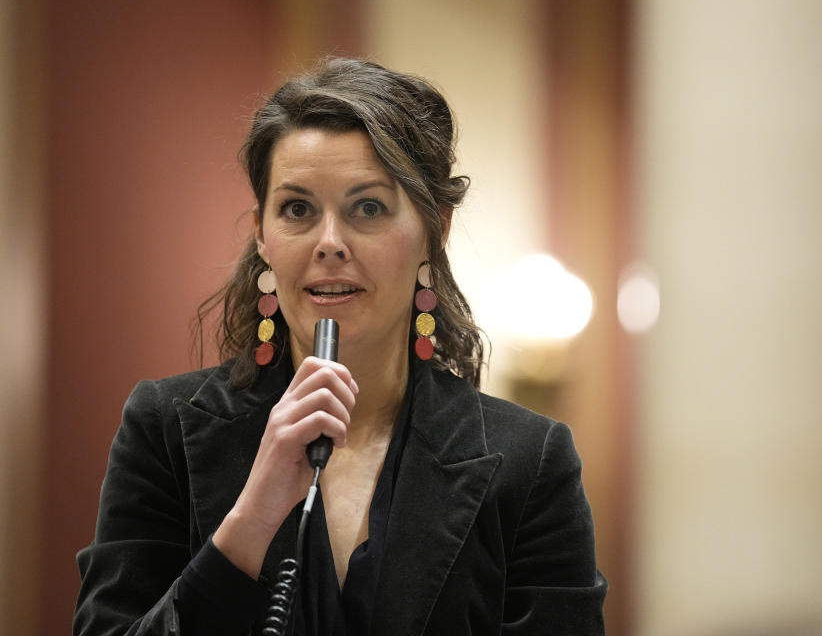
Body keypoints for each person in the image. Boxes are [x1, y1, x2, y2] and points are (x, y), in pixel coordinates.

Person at [73, 56, 606, 636]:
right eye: (297, 209)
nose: (330, 243)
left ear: (436, 229)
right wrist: (252, 517)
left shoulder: (531, 461)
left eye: (368, 208)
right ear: (262, 235)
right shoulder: (163, 429)